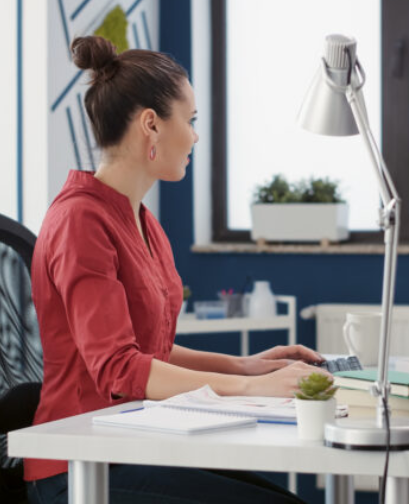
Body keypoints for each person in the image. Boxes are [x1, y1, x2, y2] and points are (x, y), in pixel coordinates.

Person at [25, 35, 327, 504]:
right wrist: (249, 386)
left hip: (132, 444)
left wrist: (244, 365)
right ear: (151, 125)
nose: (195, 136)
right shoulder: (80, 221)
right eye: (190, 121)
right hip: (79, 465)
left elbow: (151, 351)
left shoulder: (142, 221)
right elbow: (120, 369)